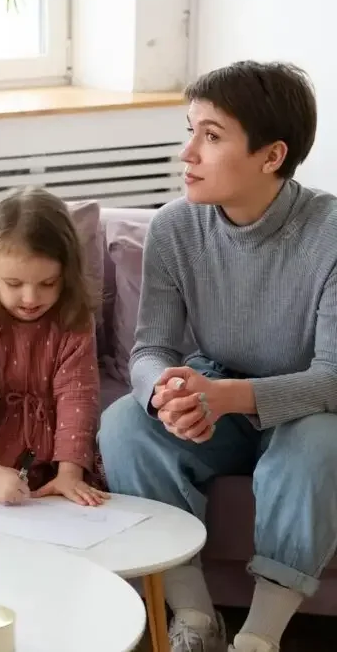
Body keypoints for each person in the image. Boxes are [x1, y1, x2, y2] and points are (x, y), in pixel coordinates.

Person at [98, 60, 337, 652]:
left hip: (307, 406)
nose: (187, 153)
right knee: (125, 424)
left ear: (271, 155)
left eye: (210, 135)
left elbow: (333, 377)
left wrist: (229, 397)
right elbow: (152, 348)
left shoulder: (329, 234)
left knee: (316, 446)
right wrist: (166, 391)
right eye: (190, 131)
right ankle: (195, 621)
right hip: (216, 391)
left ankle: (259, 637)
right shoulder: (174, 227)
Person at [0, 187, 107, 508]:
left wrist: (69, 472)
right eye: (14, 284)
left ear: (66, 274)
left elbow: (78, 400)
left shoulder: (74, 322)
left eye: (47, 283)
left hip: (56, 476)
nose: (30, 299)